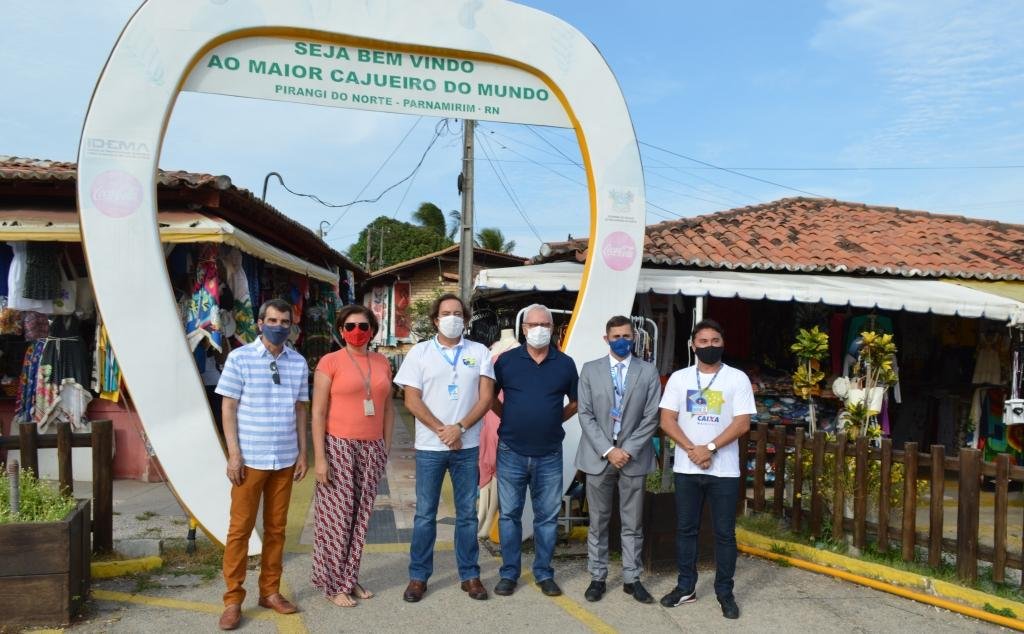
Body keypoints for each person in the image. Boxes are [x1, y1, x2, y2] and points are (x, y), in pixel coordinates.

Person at [394, 293, 495, 602]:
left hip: (467, 445)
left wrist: (460, 428)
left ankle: (470, 575)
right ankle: (418, 577)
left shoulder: (479, 351)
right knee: (425, 514)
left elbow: (486, 397)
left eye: (457, 313)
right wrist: (442, 430)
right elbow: (411, 400)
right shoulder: (420, 353)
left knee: (466, 514)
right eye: (446, 313)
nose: (452, 318)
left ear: (464, 319)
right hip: (430, 446)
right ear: (436, 320)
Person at [216, 299, 309, 631]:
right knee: (240, 530)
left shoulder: (297, 362)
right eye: (272, 320)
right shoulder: (239, 358)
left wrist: (303, 452)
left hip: (284, 458)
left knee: (277, 530)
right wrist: (233, 453)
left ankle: (270, 591)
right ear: (259, 323)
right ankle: (232, 599)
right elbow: (228, 407)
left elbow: (300, 409)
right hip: (250, 459)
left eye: (285, 321)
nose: (279, 326)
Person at [657, 319, 754, 620]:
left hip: (723, 471)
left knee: (724, 533)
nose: (709, 346)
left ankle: (725, 592)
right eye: (703, 341)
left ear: (722, 343)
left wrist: (709, 449)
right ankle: (686, 587)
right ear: (692, 345)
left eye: (715, 341)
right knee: (686, 529)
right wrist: (692, 450)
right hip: (687, 467)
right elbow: (667, 420)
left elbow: (742, 423)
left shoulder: (737, 379)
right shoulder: (679, 378)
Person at [491, 303, 578, 598]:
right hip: (511, 450)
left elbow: (576, 402)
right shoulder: (506, 361)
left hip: (550, 452)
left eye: (544, 325)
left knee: (547, 518)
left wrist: (555, 418)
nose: (538, 330)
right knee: (509, 515)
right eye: (532, 325)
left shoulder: (565, 363)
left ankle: (543, 572)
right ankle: (509, 574)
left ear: (552, 329)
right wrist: (508, 416)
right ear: (523, 329)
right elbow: (488, 397)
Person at [310, 305, 394, 607]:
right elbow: (317, 413)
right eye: (349, 326)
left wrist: (385, 447)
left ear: (372, 329)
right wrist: (320, 458)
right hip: (338, 447)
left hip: (371, 448)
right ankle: (333, 584)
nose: (356, 331)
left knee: (361, 518)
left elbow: (388, 406)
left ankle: (349, 577)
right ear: (341, 330)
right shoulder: (329, 361)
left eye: (363, 325)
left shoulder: (382, 361)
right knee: (337, 517)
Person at [575, 315, 662, 604]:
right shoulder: (590, 370)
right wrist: (608, 450)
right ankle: (597, 577)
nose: (622, 341)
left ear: (634, 337)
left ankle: (631, 578)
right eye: (616, 337)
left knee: (632, 522)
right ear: (606, 339)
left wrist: (628, 449)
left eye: (627, 336)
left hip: (633, 458)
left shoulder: (648, 372)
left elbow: (652, 417)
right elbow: (585, 414)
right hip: (600, 456)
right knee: (598, 521)